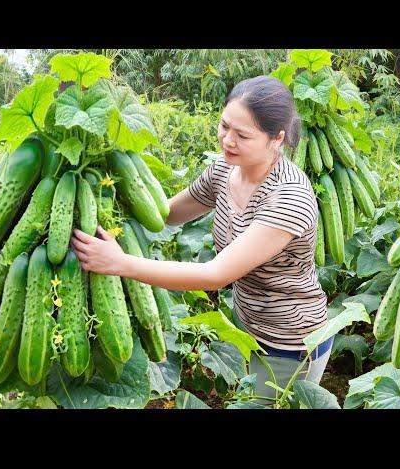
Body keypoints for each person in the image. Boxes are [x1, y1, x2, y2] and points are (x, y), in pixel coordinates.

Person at [70, 75, 333, 404]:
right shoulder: (225, 169)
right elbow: (164, 214)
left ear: (276, 138)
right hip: (247, 323)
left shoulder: (289, 198)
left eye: (242, 135)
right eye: (225, 126)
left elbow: (214, 275)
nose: (228, 140)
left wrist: (120, 263)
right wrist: (104, 187)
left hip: (290, 343)